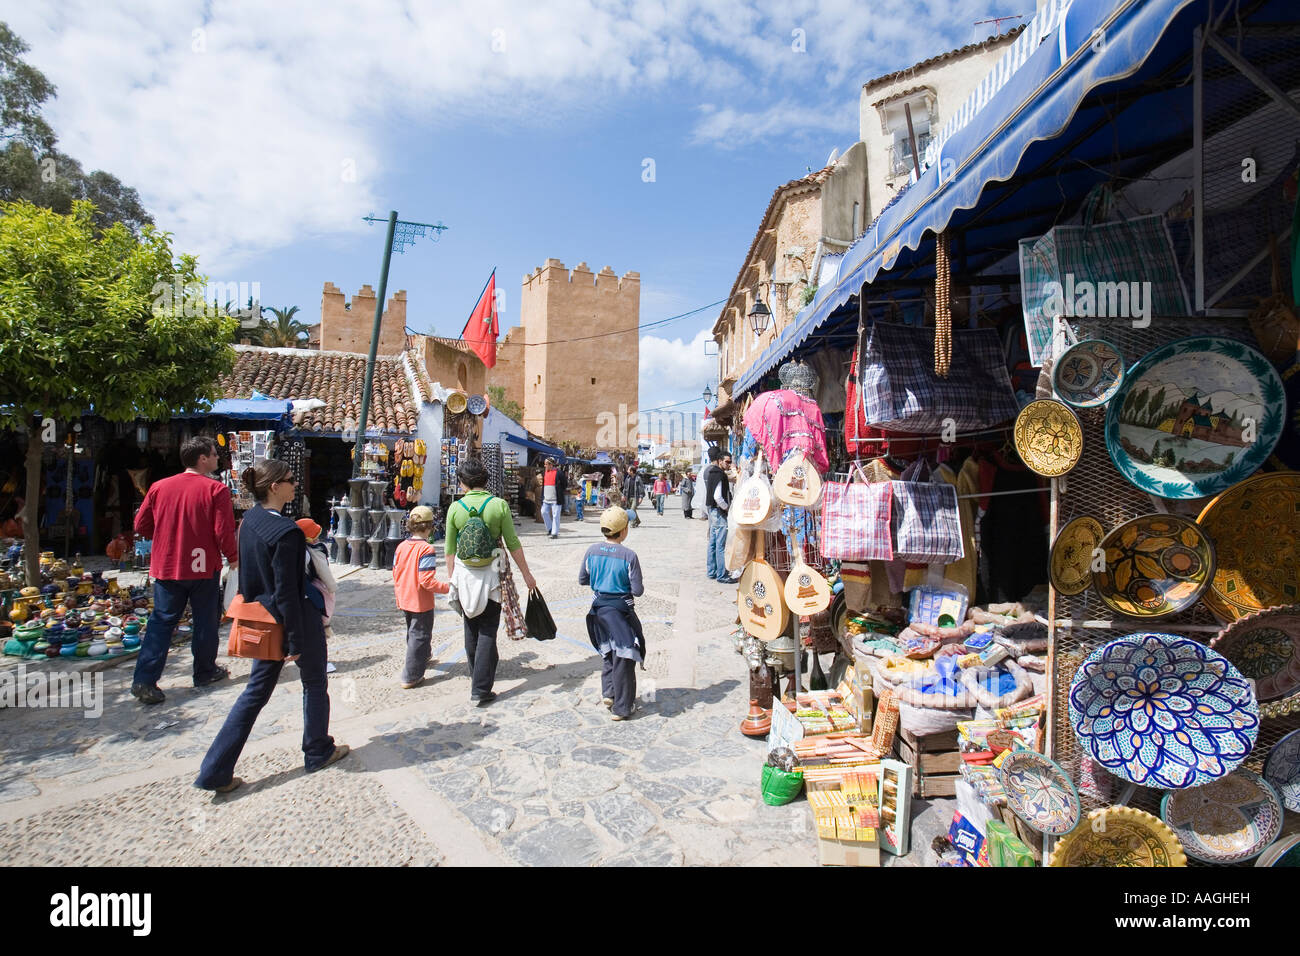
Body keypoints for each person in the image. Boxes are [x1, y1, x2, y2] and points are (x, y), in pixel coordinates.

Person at [195, 460, 347, 793]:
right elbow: (288, 592)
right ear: (275, 486)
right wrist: (294, 640)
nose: (296, 485)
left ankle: (215, 770)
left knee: (254, 694)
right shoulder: (287, 532)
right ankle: (317, 749)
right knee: (314, 681)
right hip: (293, 620)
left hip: (261, 617)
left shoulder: (250, 521)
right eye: (291, 480)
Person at [131, 436, 238, 706]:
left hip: (168, 565)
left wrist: (167, 533)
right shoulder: (216, 490)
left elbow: (141, 524)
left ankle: (144, 679)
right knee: (205, 621)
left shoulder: (159, 487)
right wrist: (234, 558)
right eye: (214, 455)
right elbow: (222, 531)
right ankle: (204, 671)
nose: (217, 459)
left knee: (161, 622)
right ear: (202, 458)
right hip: (203, 567)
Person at [445, 458, 537, 705]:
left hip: (465, 574)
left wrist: (452, 578)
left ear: (463, 482)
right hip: (493, 574)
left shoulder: (455, 508)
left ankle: (478, 678)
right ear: (486, 481)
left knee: (470, 627)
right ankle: (480, 688)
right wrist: (527, 575)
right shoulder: (499, 505)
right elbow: (513, 543)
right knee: (487, 629)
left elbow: (449, 549)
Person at [580, 506, 645, 721]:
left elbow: (583, 579)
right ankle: (623, 707)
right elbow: (637, 590)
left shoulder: (591, 551)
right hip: (620, 612)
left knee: (608, 652)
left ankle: (609, 693)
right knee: (625, 656)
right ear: (624, 530)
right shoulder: (629, 556)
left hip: (598, 610)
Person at [392, 505, 451, 689]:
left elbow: (395, 571)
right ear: (429, 527)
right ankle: (411, 675)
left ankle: (423, 657)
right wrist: (448, 588)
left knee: (413, 631)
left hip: (404, 596)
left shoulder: (401, 546)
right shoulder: (426, 549)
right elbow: (426, 580)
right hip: (420, 600)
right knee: (420, 635)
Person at [296, 517, 338, 674]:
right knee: (317, 628)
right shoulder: (313, 552)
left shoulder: (299, 549)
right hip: (312, 593)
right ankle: (320, 662)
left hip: (301, 595)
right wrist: (332, 588)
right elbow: (324, 572)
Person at [701, 446, 733, 583]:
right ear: (720, 461)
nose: (729, 464)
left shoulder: (711, 472)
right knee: (720, 545)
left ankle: (712, 571)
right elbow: (718, 497)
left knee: (713, 543)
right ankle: (721, 574)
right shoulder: (719, 474)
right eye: (727, 462)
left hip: (712, 512)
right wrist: (727, 508)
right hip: (718, 512)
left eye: (730, 462)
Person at [541, 458, 563, 539]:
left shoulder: (559, 472)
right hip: (546, 499)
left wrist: (560, 492)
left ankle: (554, 533)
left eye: (546, 464)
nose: (545, 466)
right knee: (543, 512)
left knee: (556, 515)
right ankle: (550, 528)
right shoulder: (544, 473)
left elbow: (564, 483)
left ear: (551, 464)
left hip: (556, 499)